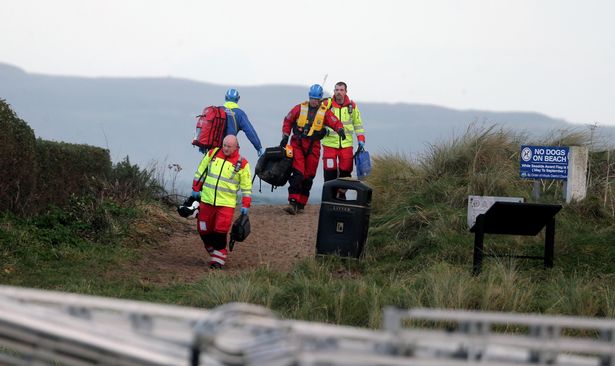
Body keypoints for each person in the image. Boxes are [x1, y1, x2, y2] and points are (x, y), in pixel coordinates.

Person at [279, 84, 346, 214]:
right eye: (312, 98)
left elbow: (334, 121)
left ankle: (302, 203)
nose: (314, 101)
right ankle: (292, 202)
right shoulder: (299, 108)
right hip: (297, 144)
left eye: (316, 98)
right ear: (309, 97)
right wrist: (285, 136)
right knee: (298, 173)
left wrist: (340, 129)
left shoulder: (324, 112)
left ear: (320, 98)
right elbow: (287, 120)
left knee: (309, 175)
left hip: (313, 146)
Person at [191, 135, 252, 269]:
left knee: (220, 232)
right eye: (224, 145)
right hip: (207, 200)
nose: (225, 148)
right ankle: (213, 250)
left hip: (226, 204)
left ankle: (218, 260)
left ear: (236, 147)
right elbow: (201, 170)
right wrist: (195, 188)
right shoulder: (212, 153)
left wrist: (245, 205)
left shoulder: (243, 164)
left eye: (229, 146)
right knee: (203, 229)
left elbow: (246, 187)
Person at [321, 82, 366, 192]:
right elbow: (318, 120)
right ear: (334, 91)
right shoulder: (326, 104)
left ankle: (341, 196)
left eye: (341, 90)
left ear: (346, 92)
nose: (339, 92)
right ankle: (330, 195)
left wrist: (361, 141)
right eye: (336, 90)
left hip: (346, 145)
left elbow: (358, 125)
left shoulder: (352, 106)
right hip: (330, 144)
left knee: (346, 171)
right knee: (329, 170)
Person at [200, 88, 264, 156]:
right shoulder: (240, 114)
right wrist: (258, 147)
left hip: (213, 149)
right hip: (230, 149)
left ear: (225, 97)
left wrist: (202, 145)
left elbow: (206, 128)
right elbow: (250, 131)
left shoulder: (217, 110)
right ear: (238, 99)